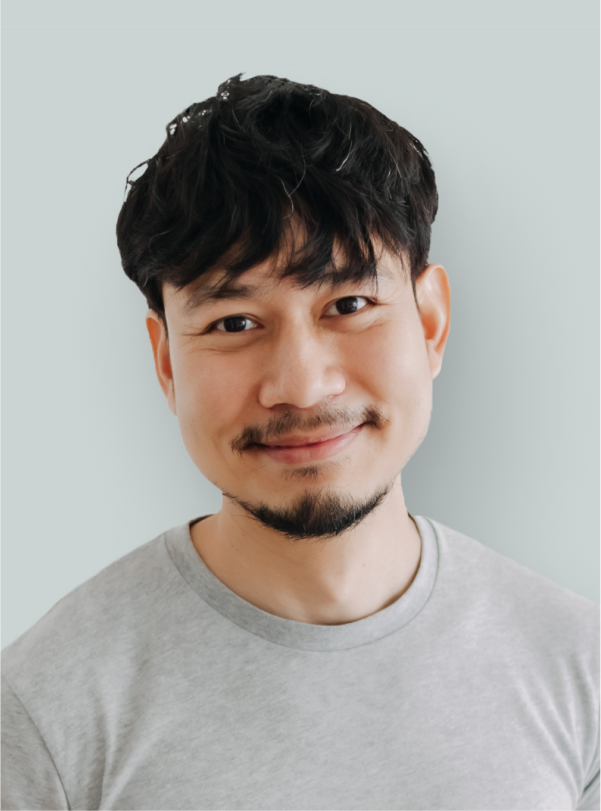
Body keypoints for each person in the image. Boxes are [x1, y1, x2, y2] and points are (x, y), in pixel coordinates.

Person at [0, 73, 599, 810]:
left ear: (431, 322)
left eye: (348, 304)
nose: (300, 386)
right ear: (165, 362)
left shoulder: (580, 669)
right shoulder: (42, 708)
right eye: (233, 323)